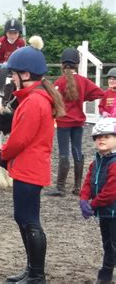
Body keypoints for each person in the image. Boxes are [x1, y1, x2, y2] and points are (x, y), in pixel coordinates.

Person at [0, 39, 66, 284]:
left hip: (29, 168)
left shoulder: (34, 101)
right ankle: (31, 269)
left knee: (29, 220)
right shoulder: (33, 97)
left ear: (25, 74)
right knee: (23, 218)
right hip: (28, 167)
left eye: (14, 74)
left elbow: (20, 139)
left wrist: (2, 155)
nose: (12, 78)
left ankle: (37, 274)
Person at [46, 48, 104, 197]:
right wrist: (82, 97)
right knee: (77, 151)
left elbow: (53, 101)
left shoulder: (59, 82)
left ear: (62, 64)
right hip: (78, 123)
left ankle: (60, 187)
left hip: (64, 123)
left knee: (64, 153)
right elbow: (99, 93)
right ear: (76, 65)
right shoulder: (83, 81)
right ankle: (78, 187)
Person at [80, 117, 116, 284]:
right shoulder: (96, 162)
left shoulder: (114, 163)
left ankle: (105, 275)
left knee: (114, 245)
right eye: (98, 137)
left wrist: (92, 205)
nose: (101, 139)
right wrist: (83, 199)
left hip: (112, 211)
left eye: (107, 136)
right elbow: (88, 182)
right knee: (108, 244)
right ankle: (106, 274)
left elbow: (111, 192)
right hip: (105, 212)